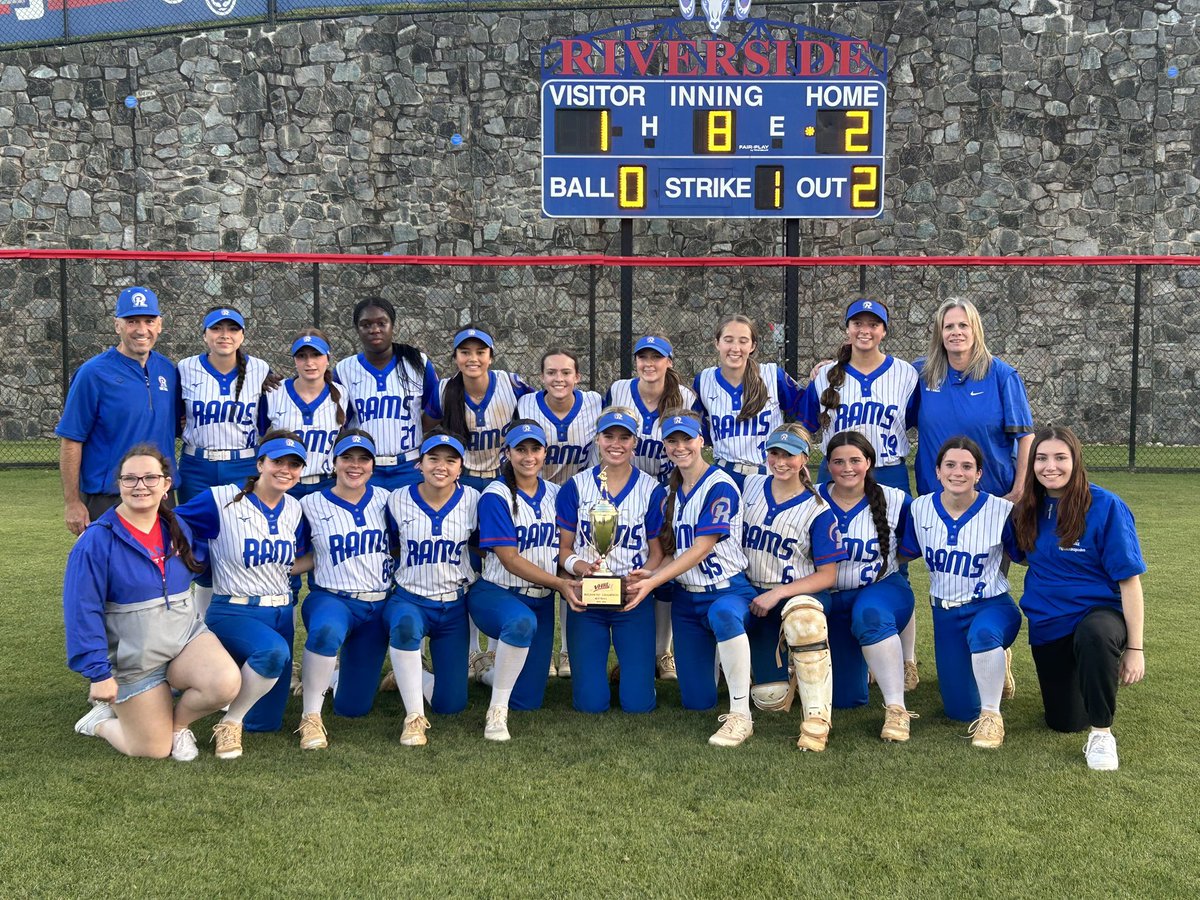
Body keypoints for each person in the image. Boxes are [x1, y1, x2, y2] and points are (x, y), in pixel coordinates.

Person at [66, 445, 240, 760]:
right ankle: (100, 721)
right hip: (135, 660)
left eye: (150, 477)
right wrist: (98, 674)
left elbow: (208, 562)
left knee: (225, 683)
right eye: (130, 479)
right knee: (152, 749)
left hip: (184, 641)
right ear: (118, 484)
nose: (140, 486)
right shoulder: (96, 541)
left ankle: (178, 726)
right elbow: (82, 611)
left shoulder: (178, 528)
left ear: (166, 484)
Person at [1011, 425, 1146, 771]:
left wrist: (1135, 649)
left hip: (1098, 614)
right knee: (1065, 722)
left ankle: (1102, 735)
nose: (1049, 466)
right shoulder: (1028, 507)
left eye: (1060, 457)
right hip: (1049, 623)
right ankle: (1088, 678)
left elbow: (1129, 582)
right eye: (1041, 458)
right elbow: (1019, 555)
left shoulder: (1106, 506)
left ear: (1076, 461)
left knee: (1094, 636)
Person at [624, 411, 760, 747]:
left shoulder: (720, 484)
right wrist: (651, 572)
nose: (680, 446)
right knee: (697, 700)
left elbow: (701, 547)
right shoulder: (669, 490)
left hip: (727, 591)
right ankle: (728, 664)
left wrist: (653, 583)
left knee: (724, 616)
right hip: (686, 600)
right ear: (664, 445)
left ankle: (741, 714)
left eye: (687, 439)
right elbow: (674, 551)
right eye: (672, 440)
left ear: (702, 441)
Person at [174, 432, 309, 759]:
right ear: (260, 463)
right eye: (277, 461)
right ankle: (229, 723)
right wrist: (193, 559)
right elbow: (174, 521)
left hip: (280, 613)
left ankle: (225, 690)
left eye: (295, 464)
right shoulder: (220, 499)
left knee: (266, 722)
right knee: (272, 655)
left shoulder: (294, 508)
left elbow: (302, 556)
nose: (286, 470)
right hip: (234, 610)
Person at [898, 437, 1022, 748]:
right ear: (937, 471)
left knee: (983, 636)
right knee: (960, 710)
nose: (958, 472)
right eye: (950, 465)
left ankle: (992, 716)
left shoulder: (1001, 510)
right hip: (946, 612)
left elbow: (1026, 555)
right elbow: (903, 553)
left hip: (991, 606)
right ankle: (996, 663)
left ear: (979, 473)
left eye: (967, 466)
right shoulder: (921, 508)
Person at [471, 421, 580, 739]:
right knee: (519, 623)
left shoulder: (557, 494)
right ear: (507, 453)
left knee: (528, 700)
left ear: (545, 453)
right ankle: (496, 711)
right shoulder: (496, 494)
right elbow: (510, 558)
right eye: (520, 449)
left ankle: (488, 674)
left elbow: (561, 550)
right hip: (498, 592)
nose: (528, 456)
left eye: (535, 448)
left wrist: (582, 569)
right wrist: (560, 584)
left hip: (541, 600)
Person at [740, 424, 845, 751]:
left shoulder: (818, 510)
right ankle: (788, 667)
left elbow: (828, 576)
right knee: (768, 699)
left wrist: (779, 593)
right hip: (754, 596)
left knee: (803, 619)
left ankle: (816, 719)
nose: (780, 461)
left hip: (797, 595)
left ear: (805, 458)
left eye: (789, 454)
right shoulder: (750, 486)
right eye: (774, 453)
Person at [557, 408, 667, 714]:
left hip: (632, 599)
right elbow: (564, 551)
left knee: (638, 704)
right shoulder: (576, 487)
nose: (615, 444)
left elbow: (657, 551)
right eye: (609, 436)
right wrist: (583, 569)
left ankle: (634, 673)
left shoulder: (651, 489)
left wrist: (647, 575)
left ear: (635, 442)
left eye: (624, 437)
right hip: (587, 601)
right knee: (590, 704)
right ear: (597, 439)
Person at [605, 334, 697, 680]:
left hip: (668, 491)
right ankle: (635, 652)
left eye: (656, 357)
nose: (649, 363)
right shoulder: (618, 390)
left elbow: (693, 438)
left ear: (669, 362)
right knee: (625, 565)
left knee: (665, 572)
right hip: (625, 489)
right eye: (643, 357)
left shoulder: (685, 396)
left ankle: (663, 652)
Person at [295, 431, 394, 750]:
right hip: (331, 598)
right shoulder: (309, 504)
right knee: (325, 633)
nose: (355, 465)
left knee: (353, 708)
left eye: (363, 458)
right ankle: (310, 716)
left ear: (372, 465)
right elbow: (299, 553)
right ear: (333, 462)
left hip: (376, 606)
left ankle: (329, 676)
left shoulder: (387, 500)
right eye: (347, 458)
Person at [818, 431, 919, 743]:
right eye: (838, 462)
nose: (847, 468)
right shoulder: (813, 497)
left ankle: (896, 708)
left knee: (871, 613)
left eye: (855, 460)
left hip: (881, 588)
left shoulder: (896, 499)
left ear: (869, 462)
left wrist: (878, 569)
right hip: (835, 598)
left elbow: (908, 550)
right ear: (828, 465)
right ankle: (869, 661)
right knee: (848, 698)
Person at [56, 286, 178, 535]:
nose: (141, 330)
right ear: (117, 326)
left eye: (149, 320)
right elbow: (71, 441)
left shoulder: (168, 370)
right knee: (108, 571)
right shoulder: (93, 373)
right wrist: (72, 502)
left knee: (159, 570)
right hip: (109, 497)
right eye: (132, 321)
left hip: (160, 494)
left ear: (160, 325)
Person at [383, 432, 478, 747]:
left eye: (450, 460)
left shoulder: (473, 500)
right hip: (410, 598)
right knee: (406, 627)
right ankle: (413, 717)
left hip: (453, 606)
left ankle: (411, 676)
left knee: (452, 705)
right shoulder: (396, 498)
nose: (442, 466)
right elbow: (390, 545)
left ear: (461, 467)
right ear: (418, 464)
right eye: (433, 458)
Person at [516, 348, 603, 679]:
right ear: (542, 377)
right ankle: (524, 649)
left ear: (577, 377)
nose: (559, 378)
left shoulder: (594, 402)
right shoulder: (526, 405)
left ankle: (566, 652)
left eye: (566, 372)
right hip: (537, 496)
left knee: (571, 572)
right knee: (537, 567)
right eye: (551, 372)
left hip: (578, 498)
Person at [913, 298, 1035, 502]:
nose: (956, 332)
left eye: (963, 325)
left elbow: (1025, 437)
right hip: (935, 500)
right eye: (948, 326)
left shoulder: (1002, 376)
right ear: (940, 333)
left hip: (993, 498)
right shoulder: (921, 374)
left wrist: (1019, 491)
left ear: (975, 330)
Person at [800, 299, 918, 493]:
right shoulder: (825, 375)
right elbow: (805, 425)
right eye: (857, 324)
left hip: (888, 472)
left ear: (884, 331)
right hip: (836, 473)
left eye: (873, 324)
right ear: (847, 328)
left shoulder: (906, 373)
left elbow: (916, 420)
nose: (865, 330)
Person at [335, 297, 438, 491]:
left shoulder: (417, 363)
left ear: (392, 326)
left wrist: (416, 427)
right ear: (357, 330)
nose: (374, 329)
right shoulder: (344, 369)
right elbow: (342, 421)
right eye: (366, 325)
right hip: (365, 468)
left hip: (410, 465)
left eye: (382, 323)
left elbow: (435, 408)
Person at [693, 314, 803, 489]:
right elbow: (697, 426)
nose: (735, 348)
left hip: (768, 475)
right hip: (724, 475)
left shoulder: (772, 376)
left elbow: (805, 410)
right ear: (717, 343)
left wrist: (793, 450)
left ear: (752, 346)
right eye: (728, 340)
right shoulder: (704, 380)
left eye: (743, 341)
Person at [426, 326, 533, 492]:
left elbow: (538, 410)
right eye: (465, 352)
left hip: (503, 475)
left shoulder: (511, 384)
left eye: (480, 352)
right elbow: (427, 427)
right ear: (455, 357)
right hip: (461, 477)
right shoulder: (444, 390)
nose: (473, 358)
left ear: (490, 357)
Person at [260, 330, 349, 499]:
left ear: (328, 358)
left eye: (316, 355)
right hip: (284, 485)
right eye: (302, 356)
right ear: (294, 360)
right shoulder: (274, 392)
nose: (309, 362)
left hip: (326, 484)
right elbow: (259, 435)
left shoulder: (343, 394)